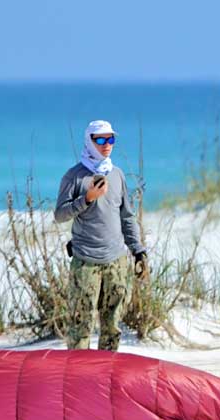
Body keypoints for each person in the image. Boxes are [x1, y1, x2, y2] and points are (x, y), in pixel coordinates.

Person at [53, 120, 148, 351]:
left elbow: (126, 216)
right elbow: (60, 215)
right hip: (86, 263)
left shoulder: (117, 175)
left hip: (116, 261)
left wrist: (139, 250)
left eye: (111, 139)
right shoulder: (75, 176)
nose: (107, 145)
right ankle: (78, 378)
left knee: (112, 326)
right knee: (80, 326)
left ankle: (106, 376)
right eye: (101, 139)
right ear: (89, 141)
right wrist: (87, 199)